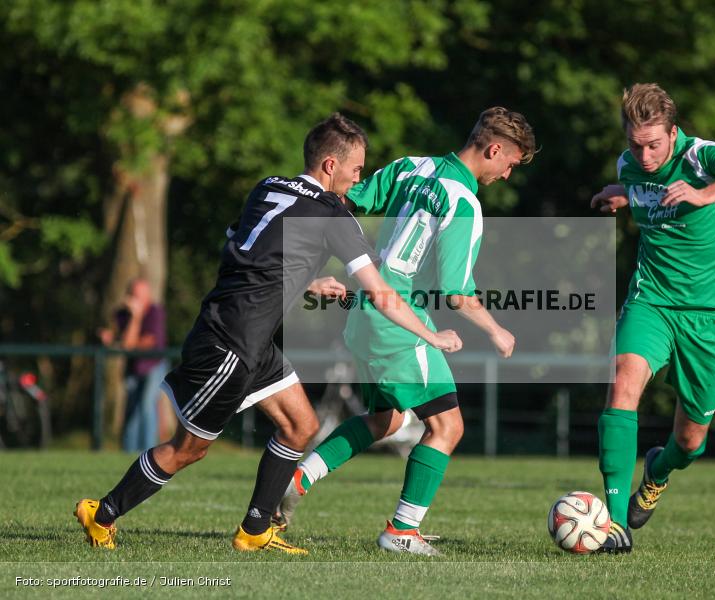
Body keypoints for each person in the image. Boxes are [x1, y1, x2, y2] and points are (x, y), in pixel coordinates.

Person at [74, 113, 462, 554]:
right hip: (231, 341)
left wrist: (306, 282)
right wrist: (432, 338)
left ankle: (255, 530)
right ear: (330, 166)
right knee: (187, 449)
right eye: (356, 169)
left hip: (251, 337)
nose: (360, 179)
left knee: (301, 425)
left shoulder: (270, 186)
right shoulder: (332, 213)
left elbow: (244, 246)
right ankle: (101, 513)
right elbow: (381, 293)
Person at [276, 107, 537, 556]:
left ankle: (298, 478)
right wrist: (498, 330)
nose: (508, 175)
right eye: (510, 164)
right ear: (494, 150)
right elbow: (456, 294)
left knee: (386, 419)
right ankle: (402, 530)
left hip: (364, 311)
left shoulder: (409, 166)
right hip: (398, 320)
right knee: (447, 426)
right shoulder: (464, 203)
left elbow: (342, 201)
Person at [590, 83, 715, 553]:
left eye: (654, 143)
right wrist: (621, 193)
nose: (645, 153)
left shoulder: (701, 157)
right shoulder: (630, 163)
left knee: (691, 441)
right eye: (636, 144)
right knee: (622, 384)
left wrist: (704, 194)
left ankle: (657, 473)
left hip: (712, 315)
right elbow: (644, 186)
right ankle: (615, 524)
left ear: (674, 133)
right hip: (651, 300)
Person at [100, 278, 168, 452]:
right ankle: (128, 451)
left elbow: (133, 344)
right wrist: (116, 338)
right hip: (133, 367)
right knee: (131, 409)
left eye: (140, 295)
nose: (136, 299)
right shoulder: (122, 314)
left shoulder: (155, 312)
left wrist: (136, 318)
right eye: (134, 295)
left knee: (146, 406)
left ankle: (148, 453)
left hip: (154, 365)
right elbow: (123, 341)